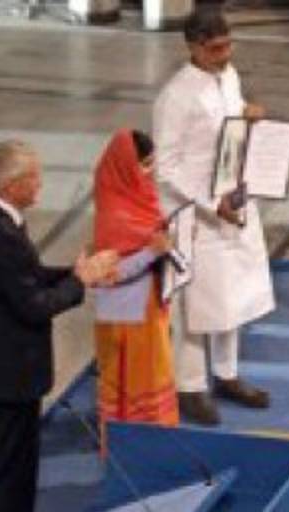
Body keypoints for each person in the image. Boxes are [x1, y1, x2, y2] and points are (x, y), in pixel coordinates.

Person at [0, 139, 117, 512]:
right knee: (12, 472)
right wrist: (79, 283)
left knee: (17, 466)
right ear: (13, 185)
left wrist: (72, 273)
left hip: (7, 366)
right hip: (12, 371)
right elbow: (32, 304)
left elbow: (25, 278)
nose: (41, 185)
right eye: (34, 178)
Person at [153, 8, 275, 426]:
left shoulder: (230, 75)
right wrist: (209, 203)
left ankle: (227, 374)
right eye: (215, 49)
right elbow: (165, 167)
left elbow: (232, 117)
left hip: (234, 198)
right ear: (193, 47)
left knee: (232, 293)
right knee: (194, 303)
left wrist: (248, 112)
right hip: (195, 213)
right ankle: (189, 387)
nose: (224, 55)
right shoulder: (175, 97)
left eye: (228, 46)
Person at [92, 129, 179, 449]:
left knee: (151, 374)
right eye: (144, 165)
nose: (150, 172)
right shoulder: (113, 214)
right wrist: (151, 252)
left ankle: (154, 440)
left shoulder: (139, 196)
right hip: (124, 317)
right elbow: (108, 274)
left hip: (148, 309)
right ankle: (127, 446)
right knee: (128, 382)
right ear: (126, 167)